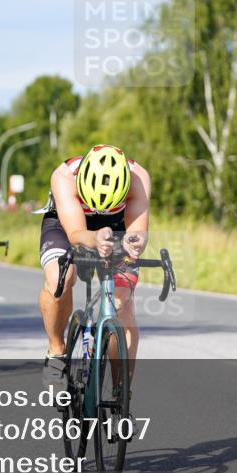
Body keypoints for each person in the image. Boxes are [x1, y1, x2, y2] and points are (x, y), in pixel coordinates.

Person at [38, 145, 151, 415]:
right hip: (67, 225)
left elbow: (137, 230)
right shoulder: (64, 176)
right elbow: (76, 232)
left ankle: (121, 399)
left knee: (122, 305)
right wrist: (94, 239)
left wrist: (135, 244)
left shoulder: (138, 178)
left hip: (116, 225)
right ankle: (56, 353)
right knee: (60, 280)